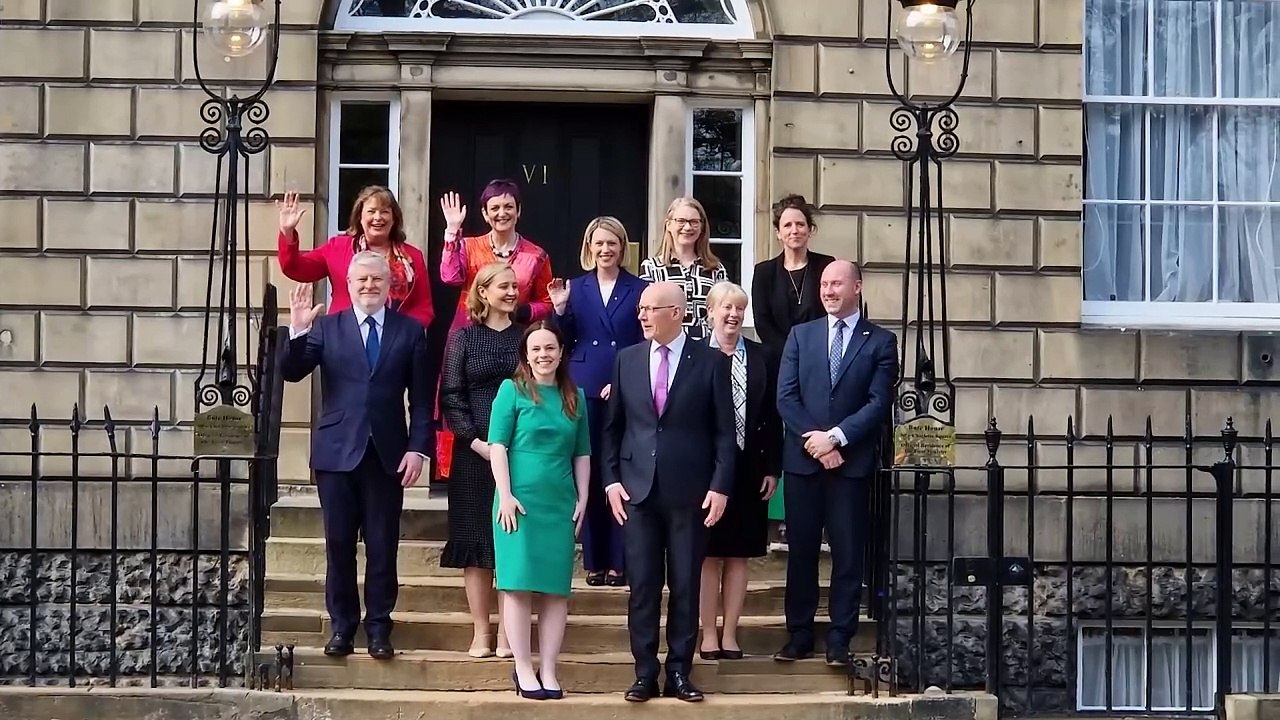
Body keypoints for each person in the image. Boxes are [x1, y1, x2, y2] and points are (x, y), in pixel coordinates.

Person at [280, 251, 431, 661]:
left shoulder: (410, 331)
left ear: (390, 286)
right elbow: (292, 372)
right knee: (339, 545)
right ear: (347, 284)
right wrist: (296, 330)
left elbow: (420, 402)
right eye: (361, 280)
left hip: (388, 456)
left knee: (383, 545)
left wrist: (418, 448)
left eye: (377, 280)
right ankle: (342, 627)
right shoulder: (327, 328)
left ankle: (379, 628)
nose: (369, 286)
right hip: (337, 454)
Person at [601, 281, 737, 703]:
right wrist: (610, 480)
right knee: (642, 585)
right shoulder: (627, 359)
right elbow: (613, 428)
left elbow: (724, 433)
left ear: (675, 313)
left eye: (649, 309)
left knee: (685, 585)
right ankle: (644, 672)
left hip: (690, 493)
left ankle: (680, 671)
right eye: (640, 308)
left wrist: (720, 486)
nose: (640, 315)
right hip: (637, 492)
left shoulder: (711, 362)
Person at [773, 260, 897, 667]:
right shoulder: (800, 335)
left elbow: (878, 403)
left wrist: (837, 437)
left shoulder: (879, 341)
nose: (828, 291)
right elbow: (786, 398)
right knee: (802, 552)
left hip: (851, 463)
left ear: (857, 287)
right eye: (824, 284)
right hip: (805, 463)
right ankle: (800, 634)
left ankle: (840, 639)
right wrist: (817, 442)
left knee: (847, 554)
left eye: (836, 284)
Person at [488, 321, 591, 700]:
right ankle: (523, 668)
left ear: (562, 352)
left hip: (559, 502)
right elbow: (497, 445)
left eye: (550, 348)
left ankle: (549, 667)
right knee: (517, 587)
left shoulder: (574, 396)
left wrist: (583, 498)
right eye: (536, 349)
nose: (543, 355)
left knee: (555, 591)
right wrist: (506, 494)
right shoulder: (510, 391)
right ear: (526, 355)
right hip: (518, 502)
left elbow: (582, 453)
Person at [549, 216, 648, 587]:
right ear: (589, 247)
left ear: (623, 247)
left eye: (612, 243)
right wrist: (558, 310)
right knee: (587, 470)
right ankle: (595, 560)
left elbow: (644, 340)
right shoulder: (574, 287)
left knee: (621, 470)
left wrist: (623, 382)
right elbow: (563, 340)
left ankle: (620, 561)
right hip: (584, 385)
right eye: (599, 243)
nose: (605, 250)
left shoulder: (639, 288)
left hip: (625, 383)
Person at [437, 180, 554, 482]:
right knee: (463, 401)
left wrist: (522, 312)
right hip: (470, 335)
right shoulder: (468, 245)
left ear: (519, 211)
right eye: (495, 208)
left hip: (513, 340)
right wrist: (452, 232)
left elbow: (547, 301)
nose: (502, 213)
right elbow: (450, 277)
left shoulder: (536, 255)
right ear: (486, 214)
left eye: (508, 207)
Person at [439, 262, 524, 659]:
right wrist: (479, 443)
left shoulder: (527, 338)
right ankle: (481, 632)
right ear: (483, 293)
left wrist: (509, 446)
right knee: (476, 543)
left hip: (519, 453)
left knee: (511, 542)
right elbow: (451, 396)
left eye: (514, 285)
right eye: (503, 286)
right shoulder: (464, 339)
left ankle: (510, 633)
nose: (511, 291)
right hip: (474, 455)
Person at [698, 282, 781, 661]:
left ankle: (730, 633)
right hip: (707, 471)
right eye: (726, 308)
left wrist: (771, 467)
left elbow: (773, 416)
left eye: (739, 309)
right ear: (711, 312)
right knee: (708, 556)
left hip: (750, 468)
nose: (733, 315)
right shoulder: (697, 356)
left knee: (738, 555)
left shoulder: (763, 356)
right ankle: (708, 633)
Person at [749, 194, 835, 538]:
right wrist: (792, 356)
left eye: (801, 224)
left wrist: (809, 357)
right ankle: (782, 514)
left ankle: (816, 512)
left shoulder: (825, 266)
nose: (794, 230)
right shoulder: (764, 273)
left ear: (810, 230)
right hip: (778, 365)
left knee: (814, 429)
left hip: (820, 366)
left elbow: (831, 312)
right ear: (778, 232)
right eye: (788, 225)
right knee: (780, 433)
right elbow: (763, 322)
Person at [276, 187, 435, 328]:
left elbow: (423, 308)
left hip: (396, 347)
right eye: (371, 211)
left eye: (385, 211)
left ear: (394, 219)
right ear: (360, 217)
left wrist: (406, 336)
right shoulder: (337, 248)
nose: (378, 217)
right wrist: (287, 232)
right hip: (344, 339)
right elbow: (295, 268)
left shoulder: (412, 257)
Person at [638, 198, 727, 342]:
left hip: (708, 349)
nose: (687, 227)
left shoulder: (716, 269)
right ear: (668, 225)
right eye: (681, 221)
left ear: (702, 227)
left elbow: (723, 312)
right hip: (668, 348)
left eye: (694, 222)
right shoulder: (652, 267)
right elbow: (648, 312)